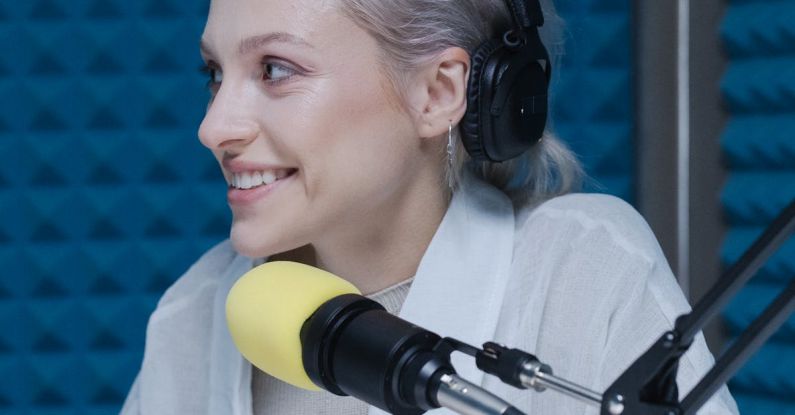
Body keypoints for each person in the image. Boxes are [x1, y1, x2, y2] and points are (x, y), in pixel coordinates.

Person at [121, 0, 739, 414]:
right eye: (214, 73)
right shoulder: (194, 312)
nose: (214, 126)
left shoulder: (583, 274)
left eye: (276, 69)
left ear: (439, 92)